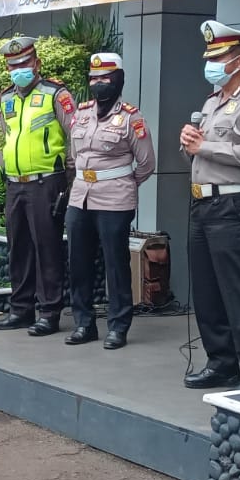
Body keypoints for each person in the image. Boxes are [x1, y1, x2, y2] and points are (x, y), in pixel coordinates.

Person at [180, 22, 240, 390]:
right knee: (206, 291)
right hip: (202, 203)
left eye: (219, 57)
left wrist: (202, 146)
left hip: (233, 202)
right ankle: (221, 363)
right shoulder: (212, 101)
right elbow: (199, 152)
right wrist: (189, 141)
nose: (212, 64)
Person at [63, 53, 154, 350]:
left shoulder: (131, 118)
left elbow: (146, 163)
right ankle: (84, 323)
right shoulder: (81, 113)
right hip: (80, 197)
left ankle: (118, 326)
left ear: (118, 80)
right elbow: (74, 155)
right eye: (93, 78)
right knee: (78, 263)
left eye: (105, 78)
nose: (98, 83)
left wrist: (122, 183)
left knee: (116, 266)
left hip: (115, 199)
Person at [0, 34, 75, 336]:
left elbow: (74, 134)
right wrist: (1, 169)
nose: (19, 70)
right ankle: (21, 310)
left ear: (37, 63)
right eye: (13, 66)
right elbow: (5, 136)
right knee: (19, 248)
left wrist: (70, 177)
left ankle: (49, 313)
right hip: (15, 183)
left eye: (24, 63)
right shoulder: (6, 98)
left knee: (47, 248)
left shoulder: (55, 94)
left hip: (46, 181)